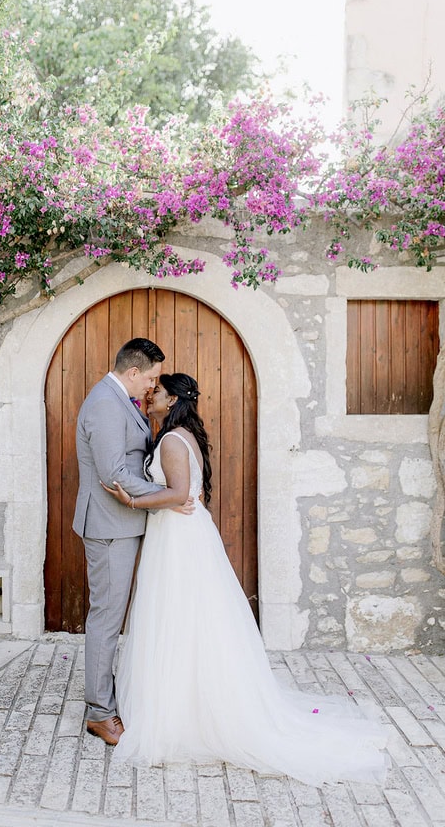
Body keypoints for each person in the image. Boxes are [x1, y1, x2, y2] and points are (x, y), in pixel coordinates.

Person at [102, 373, 389, 786]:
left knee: (177, 615)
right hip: (183, 534)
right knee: (189, 618)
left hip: (178, 539)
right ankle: (182, 700)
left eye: (158, 393)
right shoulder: (181, 435)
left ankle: (180, 711)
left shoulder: (170, 441)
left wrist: (133, 499)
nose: (151, 396)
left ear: (174, 400)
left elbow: (180, 493)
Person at [72, 337, 167, 747]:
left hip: (125, 522)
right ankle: (99, 712)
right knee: (107, 618)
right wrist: (167, 496)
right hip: (110, 525)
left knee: (113, 616)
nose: (152, 385)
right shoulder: (106, 405)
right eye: (150, 377)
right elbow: (113, 474)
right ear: (132, 372)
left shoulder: (120, 399)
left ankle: (108, 699)